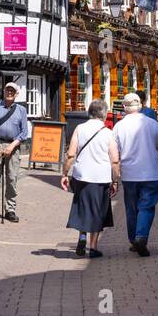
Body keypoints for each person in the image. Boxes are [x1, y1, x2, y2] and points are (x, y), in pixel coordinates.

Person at [61, 99, 120, 258]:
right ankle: (93, 247)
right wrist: (115, 180)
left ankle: (82, 236)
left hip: (81, 176)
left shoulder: (79, 129)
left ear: (89, 112)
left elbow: (71, 155)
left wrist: (65, 174)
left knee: (83, 207)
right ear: (103, 114)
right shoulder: (108, 133)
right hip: (101, 177)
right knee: (98, 211)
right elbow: (114, 160)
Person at [113, 92, 158, 257]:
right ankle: (141, 236)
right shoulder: (152, 124)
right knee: (146, 207)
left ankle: (134, 240)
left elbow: (114, 155)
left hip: (129, 174)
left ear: (124, 107)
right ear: (140, 106)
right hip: (150, 173)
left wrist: (115, 176)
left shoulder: (118, 127)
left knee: (131, 208)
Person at [0, 82, 29, 222]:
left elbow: (24, 132)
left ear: (16, 94)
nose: (10, 92)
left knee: (11, 179)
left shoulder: (21, 110)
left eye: (12, 91)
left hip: (13, 147)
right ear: (4, 91)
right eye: (7, 90)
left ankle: (10, 209)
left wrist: (12, 146)